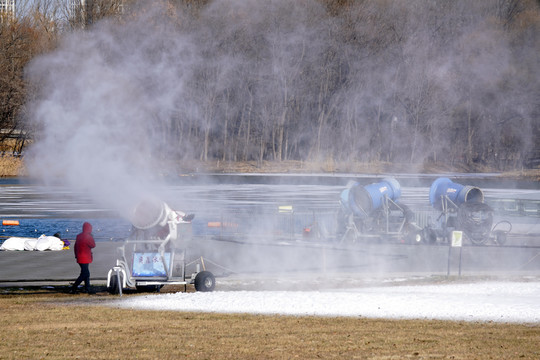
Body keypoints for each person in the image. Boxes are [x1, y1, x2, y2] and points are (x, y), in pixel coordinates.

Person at [71, 222, 96, 294]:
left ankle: (87, 288)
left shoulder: (79, 236)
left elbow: (75, 246)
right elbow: (93, 245)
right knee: (84, 274)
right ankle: (74, 287)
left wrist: (76, 255)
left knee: (86, 273)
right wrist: (91, 237)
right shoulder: (87, 237)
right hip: (85, 258)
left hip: (79, 257)